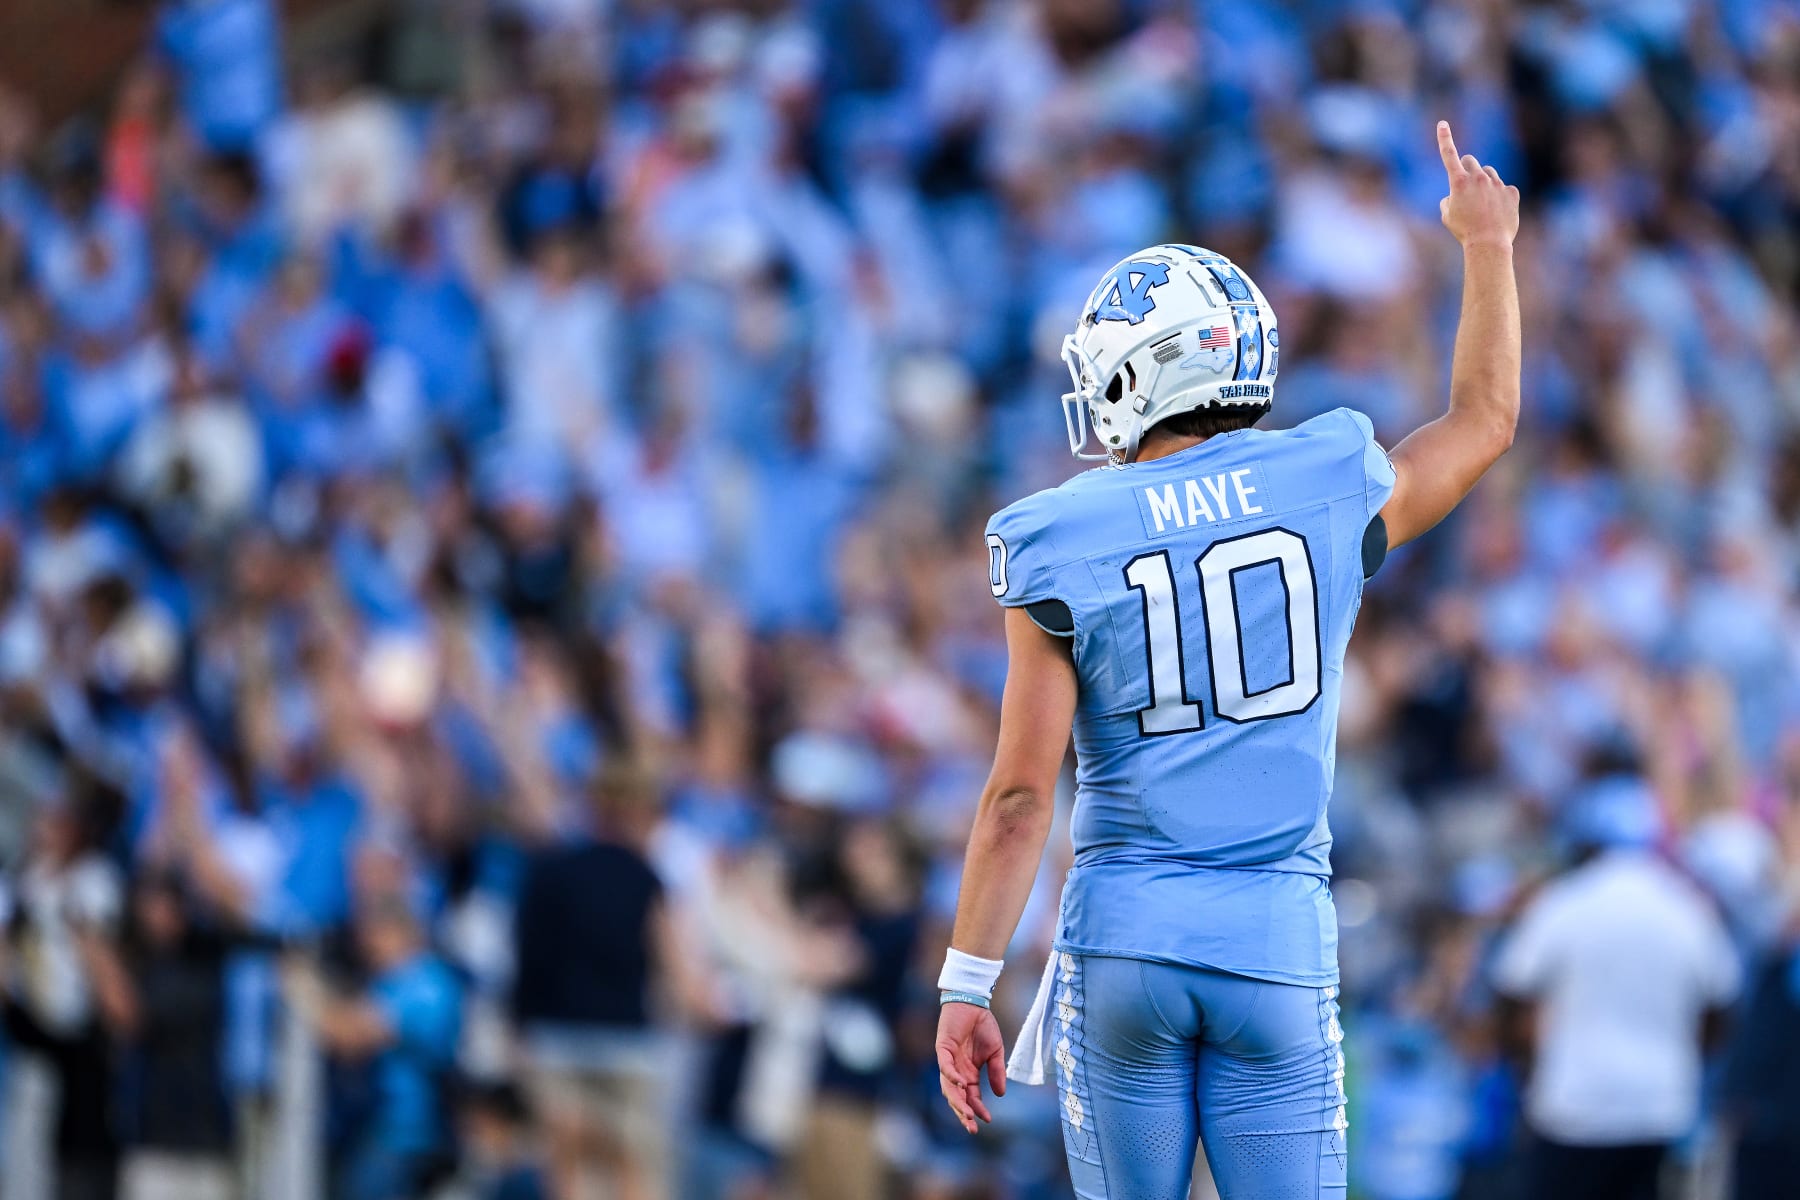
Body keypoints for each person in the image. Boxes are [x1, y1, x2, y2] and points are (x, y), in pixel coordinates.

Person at [931, 122, 1521, 1200]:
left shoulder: (1060, 531)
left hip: (1125, 942)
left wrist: (967, 981)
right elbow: (1483, 420)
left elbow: (1020, 796)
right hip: (1276, 939)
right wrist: (1486, 245)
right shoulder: (1327, 477)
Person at [1492, 774, 1739, 1200]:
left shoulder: (1565, 902)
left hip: (1572, 1106)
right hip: (1658, 1109)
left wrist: (1525, 1070)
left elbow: (1511, 992)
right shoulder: (1687, 908)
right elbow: (1720, 1006)